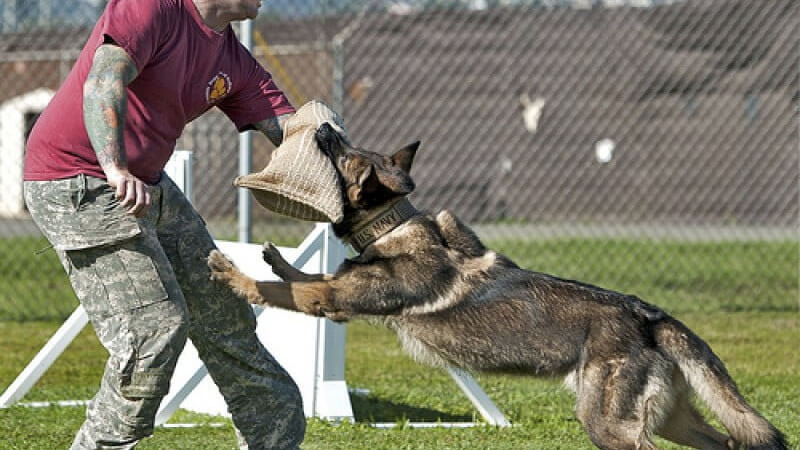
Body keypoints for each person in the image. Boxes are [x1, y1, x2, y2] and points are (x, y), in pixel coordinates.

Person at [22, 0, 306, 448]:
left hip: (145, 183)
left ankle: (274, 437)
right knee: (154, 330)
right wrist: (116, 169)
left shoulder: (235, 62)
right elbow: (104, 79)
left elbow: (297, 135)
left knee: (225, 315)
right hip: (76, 178)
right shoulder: (151, 7)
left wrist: (333, 143)